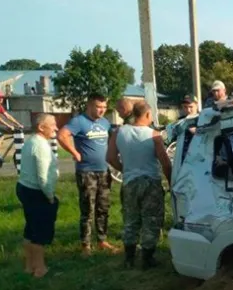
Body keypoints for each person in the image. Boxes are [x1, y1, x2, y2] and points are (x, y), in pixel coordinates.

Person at [107, 101, 172, 269]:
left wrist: (125, 169)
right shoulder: (153, 135)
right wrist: (171, 181)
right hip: (150, 182)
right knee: (151, 220)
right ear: (148, 115)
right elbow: (165, 162)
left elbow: (110, 158)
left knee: (130, 219)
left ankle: (129, 258)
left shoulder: (118, 132)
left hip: (129, 182)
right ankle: (147, 258)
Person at [57, 93, 116, 256]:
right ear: (89, 105)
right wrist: (74, 152)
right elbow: (62, 135)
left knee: (103, 207)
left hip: (104, 170)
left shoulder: (105, 123)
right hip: (86, 172)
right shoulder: (79, 121)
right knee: (88, 209)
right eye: (98, 107)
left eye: (104, 107)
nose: (102, 110)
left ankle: (103, 239)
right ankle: (86, 244)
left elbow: (114, 137)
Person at [16, 113, 60, 278]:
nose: (56, 127)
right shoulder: (40, 146)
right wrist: (50, 196)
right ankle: (40, 269)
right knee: (40, 232)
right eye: (53, 124)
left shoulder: (31, 141)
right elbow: (43, 177)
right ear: (41, 127)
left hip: (25, 188)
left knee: (30, 229)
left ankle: (29, 266)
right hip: (37, 192)